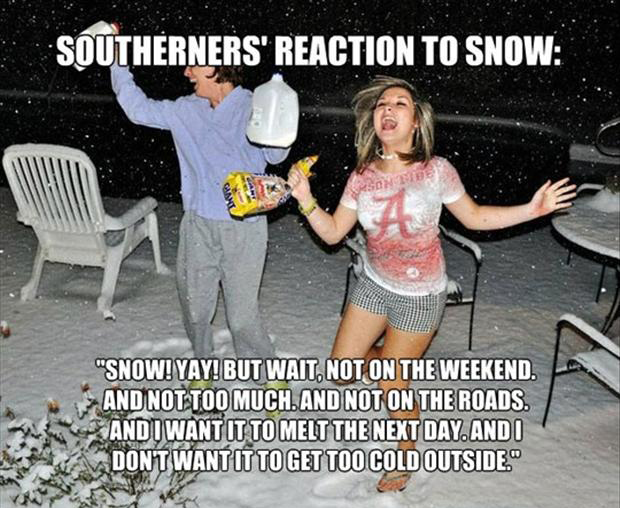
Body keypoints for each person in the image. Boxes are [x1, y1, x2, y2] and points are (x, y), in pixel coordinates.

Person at [287, 75, 575, 492]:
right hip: (374, 284)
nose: (388, 109)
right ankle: (388, 361)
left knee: (392, 383)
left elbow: (475, 217)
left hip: (420, 297)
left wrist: (532, 209)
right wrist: (306, 199)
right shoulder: (362, 176)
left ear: (417, 121)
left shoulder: (436, 171)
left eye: (399, 104)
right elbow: (333, 233)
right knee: (342, 371)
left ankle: (405, 453)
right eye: (382, 104)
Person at [110, 62, 291, 399]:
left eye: (194, 64)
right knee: (195, 308)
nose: (186, 72)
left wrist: (280, 120)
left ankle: (268, 374)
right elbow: (137, 109)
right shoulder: (185, 110)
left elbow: (276, 155)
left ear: (218, 67)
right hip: (197, 226)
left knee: (241, 318)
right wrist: (116, 61)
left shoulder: (255, 105)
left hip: (244, 230)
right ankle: (202, 367)